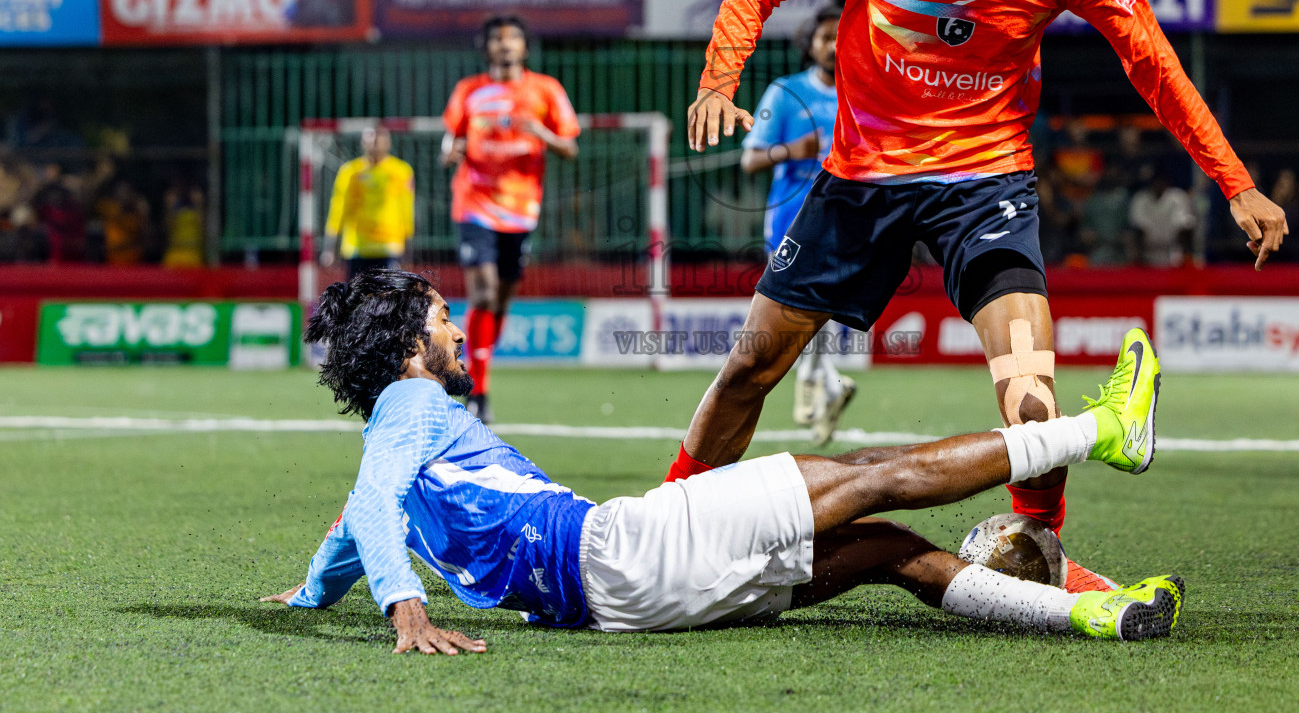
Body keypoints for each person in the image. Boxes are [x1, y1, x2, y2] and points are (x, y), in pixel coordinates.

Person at [677, 0, 1287, 593]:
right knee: (750, 367)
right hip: (860, 182)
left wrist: (1236, 182)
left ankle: (1039, 546)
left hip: (985, 184)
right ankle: (672, 520)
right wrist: (719, 80)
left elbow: (1154, 64)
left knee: (1029, 381)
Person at [260, 269, 1182, 651]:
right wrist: (408, 610)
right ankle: (1102, 430)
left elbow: (353, 525)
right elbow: (369, 511)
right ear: (410, 349)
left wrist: (308, 598)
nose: (457, 330)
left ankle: (1093, 615)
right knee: (875, 473)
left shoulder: (395, 447)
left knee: (888, 552)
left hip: (623, 609)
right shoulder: (413, 403)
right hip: (623, 548)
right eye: (442, 319)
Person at [442, 14, 579, 423]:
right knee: (483, 293)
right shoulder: (469, 90)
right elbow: (451, 139)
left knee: (501, 300)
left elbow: (570, 147)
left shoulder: (545, 89)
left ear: (524, 47)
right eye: (497, 39)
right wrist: (448, 152)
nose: (505, 45)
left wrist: (541, 132)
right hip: (474, 203)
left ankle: (480, 366)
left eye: (513, 38)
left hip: (521, 210)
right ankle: (478, 389)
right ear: (486, 48)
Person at [739, 4, 856, 444]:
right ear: (809, 44)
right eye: (825, 37)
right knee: (794, 308)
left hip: (847, 217)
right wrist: (792, 150)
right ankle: (824, 381)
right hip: (790, 220)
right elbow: (751, 159)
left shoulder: (863, 93)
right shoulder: (785, 93)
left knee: (821, 306)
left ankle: (818, 379)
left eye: (841, 36)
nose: (834, 46)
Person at [320, 127, 416, 281]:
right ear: (363, 143)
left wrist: (408, 250)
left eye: (378, 141)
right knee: (358, 293)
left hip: (389, 247)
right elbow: (338, 209)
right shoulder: (350, 172)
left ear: (388, 143)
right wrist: (330, 248)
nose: (374, 145)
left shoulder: (401, 171)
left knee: (388, 294)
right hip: (357, 247)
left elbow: (407, 211)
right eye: (370, 140)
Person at [1129, 173, 1197, 267]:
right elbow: (1137, 226)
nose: (1158, 185)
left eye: (1161, 182)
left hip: (1173, 252)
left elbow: (1186, 224)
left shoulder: (1177, 197)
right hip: (1147, 252)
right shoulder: (1141, 199)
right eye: (1155, 182)